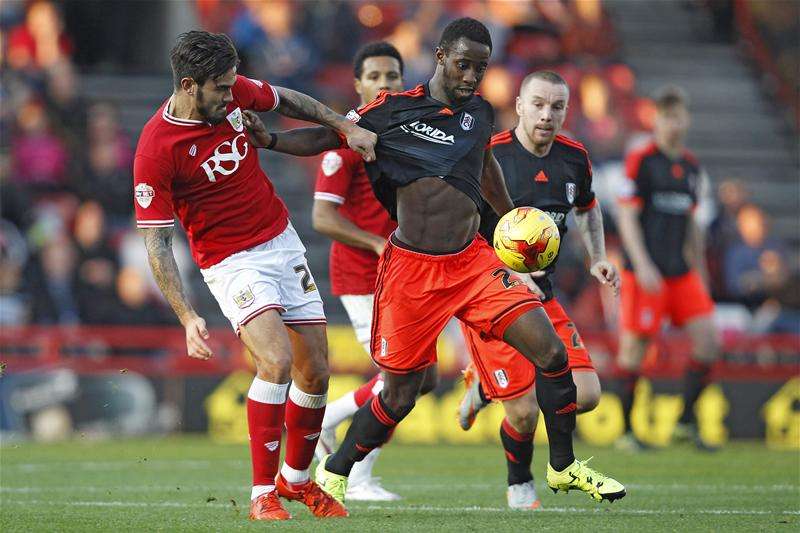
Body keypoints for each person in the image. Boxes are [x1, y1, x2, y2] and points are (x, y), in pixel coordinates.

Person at [243, 18, 624, 506]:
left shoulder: (480, 112)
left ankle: (563, 466)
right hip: (413, 270)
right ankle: (336, 471)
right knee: (401, 394)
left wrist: (512, 221)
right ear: (441, 56)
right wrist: (271, 140)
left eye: (481, 68)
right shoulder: (392, 109)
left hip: (472, 263)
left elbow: (486, 167)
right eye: (463, 65)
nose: (471, 76)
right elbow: (329, 136)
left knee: (551, 354)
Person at [133, 30, 377, 521]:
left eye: (232, 85)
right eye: (221, 88)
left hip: (281, 240)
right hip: (230, 261)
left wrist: (343, 125)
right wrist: (186, 315)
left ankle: (297, 480)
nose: (232, 95)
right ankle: (262, 492)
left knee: (317, 370)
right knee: (277, 361)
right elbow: (157, 242)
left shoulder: (231, 92)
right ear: (189, 85)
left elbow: (288, 99)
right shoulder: (155, 150)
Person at [453, 70, 620, 509]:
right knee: (525, 412)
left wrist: (597, 257)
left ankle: (485, 388)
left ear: (566, 111)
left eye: (557, 106)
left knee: (587, 395)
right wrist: (506, 270)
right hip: (490, 298)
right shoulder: (490, 155)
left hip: (542, 297)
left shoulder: (574, 158)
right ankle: (520, 484)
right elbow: (461, 231)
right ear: (520, 106)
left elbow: (587, 207)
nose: (547, 115)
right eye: (539, 104)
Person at [311, 42, 435, 501]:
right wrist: (377, 243)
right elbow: (322, 217)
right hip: (363, 277)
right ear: (358, 84)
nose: (385, 84)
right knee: (399, 379)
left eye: (393, 76)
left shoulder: (407, 136)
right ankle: (357, 476)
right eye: (375, 77)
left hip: (405, 275)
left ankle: (329, 417)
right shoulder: (347, 140)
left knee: (425, 379)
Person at [615, 86, 720, 451]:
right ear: (656, 120)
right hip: (646, 272)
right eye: (667, 117)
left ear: (686, 120)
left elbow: (692, 225)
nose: (673, 124)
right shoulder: (642, 160)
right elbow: (626, 216)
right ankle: (626, 432)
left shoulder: (691, 166)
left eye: (678, 117)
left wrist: (701, 272)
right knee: (635, 349)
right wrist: (642, 264)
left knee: (709, 342)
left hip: (681, 272)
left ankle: (685, 422)